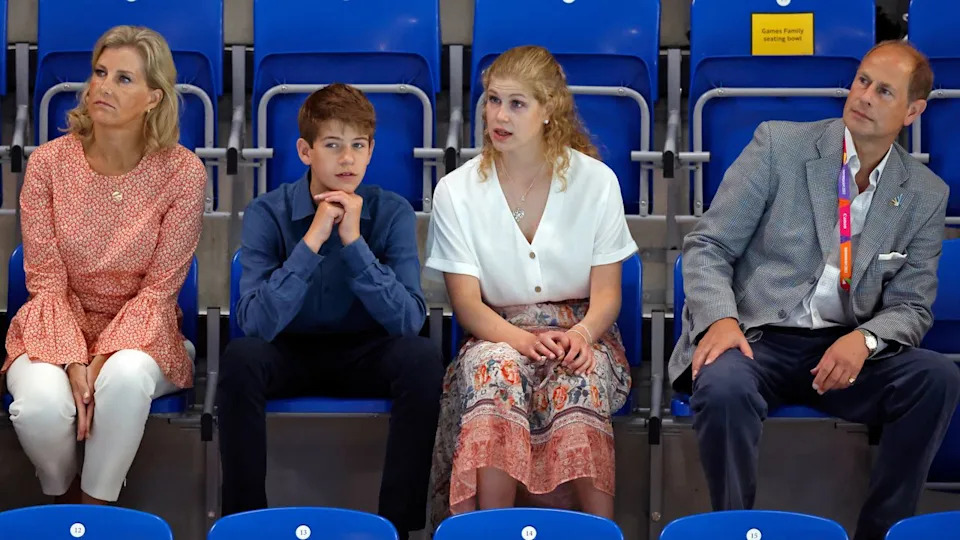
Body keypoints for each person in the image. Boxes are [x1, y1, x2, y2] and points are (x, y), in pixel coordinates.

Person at [670, 40, 960, 540]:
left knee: (935, 377)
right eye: (863, 81)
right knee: (722, 386)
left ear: (913, 111)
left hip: (846, 350)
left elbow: (912, 306)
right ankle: (733, 527)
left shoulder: (926, 195)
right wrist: (721, 319)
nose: (864, 96)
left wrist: (865, 341)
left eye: (884, 91)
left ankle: (881, 532)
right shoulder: (779, 146)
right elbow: (707, 245)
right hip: (758, 336)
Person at [216, 83, 443, 539]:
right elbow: (254, 323)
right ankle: (245, 524)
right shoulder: (267, 212)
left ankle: (397, 528)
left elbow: (408, 320)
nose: (347, 160)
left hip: (367, 352)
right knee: (239, 361)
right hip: (288, 351)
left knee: (421, 359)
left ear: (371, 150)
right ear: (305, 150)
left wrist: (354, 243)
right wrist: (313, 240)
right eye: (333, 145)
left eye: (358, 146)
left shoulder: (391, 211)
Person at [426, 45, 636, 525]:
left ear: (548, 112)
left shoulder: (596, 182)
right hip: (498, 331)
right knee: (495, 369)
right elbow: (468, 306)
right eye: (493, 100)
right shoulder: (456, 191)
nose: (499, 116)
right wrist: (522, 341)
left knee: (574, 376)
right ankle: (491, 529)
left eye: (517, 104)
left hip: (582, 329)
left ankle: (598, 532)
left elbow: (608, 296)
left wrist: (581, 337)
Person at [3, 25, 206, 504]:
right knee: (40, 408)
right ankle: (61, 491)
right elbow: (47, 280)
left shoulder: (183, 173)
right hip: (55, 324)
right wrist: (74, 358)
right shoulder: (48, 164)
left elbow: (160, 290)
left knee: (124, 378)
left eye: (124, 79)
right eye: (99, 73)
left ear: (154, 98)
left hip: (144, 331)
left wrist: (99, 361)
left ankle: (95, 510)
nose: (104, 87)